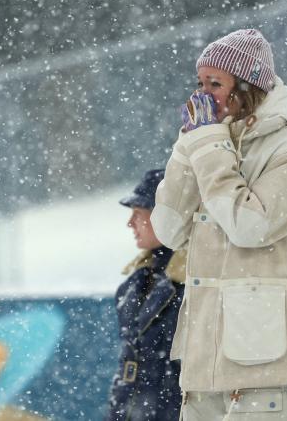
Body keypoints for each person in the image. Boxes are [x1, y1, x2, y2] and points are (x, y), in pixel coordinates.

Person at [150, 29, 287, 420]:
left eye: (215, 84)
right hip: (203, 360)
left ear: (247, 88)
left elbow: (248, 226)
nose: (202, 97)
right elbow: (168, 229)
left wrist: (208, 145)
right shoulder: (208, 143)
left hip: (264, 361)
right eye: (199, 84)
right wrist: (186, 146)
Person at [107, 169, 186, 421]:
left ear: (165, 218)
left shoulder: (198, 286)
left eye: (138, 214)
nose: (130, 223)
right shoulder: (138, 281)